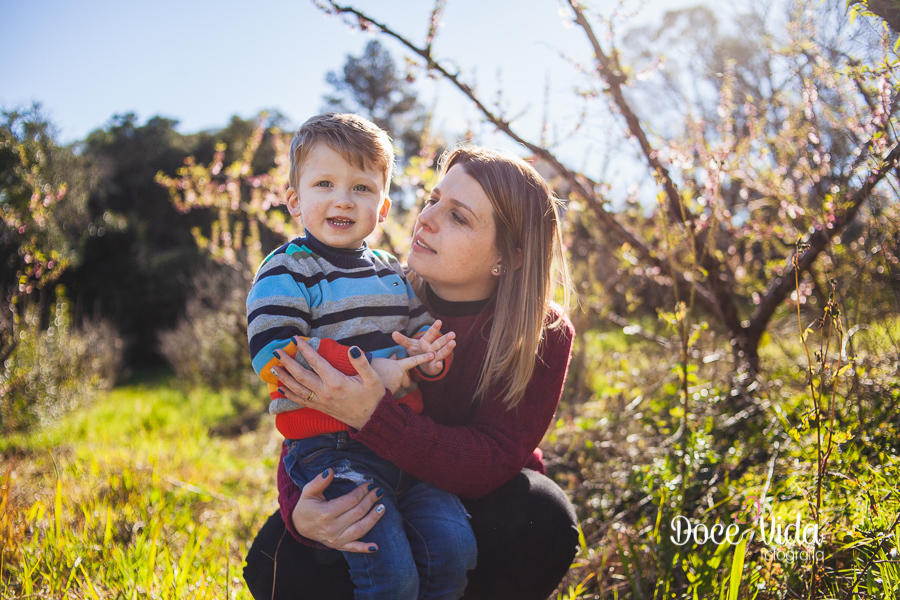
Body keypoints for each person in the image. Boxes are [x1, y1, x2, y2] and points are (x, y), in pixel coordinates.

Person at [243, 145, 580, 600]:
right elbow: (303, 409)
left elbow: (491, 459)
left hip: (480, 501)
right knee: (278, 563)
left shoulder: (541, 331)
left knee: (541, 515)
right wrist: (297, 513)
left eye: (458, 217)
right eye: (433, 200)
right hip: (364, 473)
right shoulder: (382, 293)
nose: (426, 219)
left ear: (511, 256)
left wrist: (373, 412)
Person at [246, 112, 475, 600]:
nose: (343, 199)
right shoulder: (288, 269)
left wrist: (428, 357)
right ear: (294, 199)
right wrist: (372, 372)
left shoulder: (392, 273)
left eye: (361, 188)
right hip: (331, 449)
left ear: (384, 207)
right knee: (390, 575)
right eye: (324, 183)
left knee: (452, 548)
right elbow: (273, 353)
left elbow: (415, 333)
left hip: (402, 442)